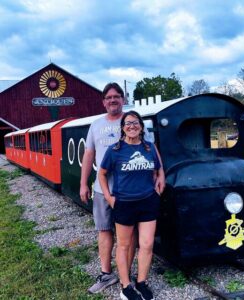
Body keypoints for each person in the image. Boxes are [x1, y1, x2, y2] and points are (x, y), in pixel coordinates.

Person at [80, 83, 165, 294]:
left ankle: (128, 278)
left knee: (133, 239)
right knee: (105, 231)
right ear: (103, 101)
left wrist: (160, 176)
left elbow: (153, 154)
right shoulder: (97, 125)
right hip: (104, 191)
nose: (112, 100)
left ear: (123, 99)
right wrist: (84, 183)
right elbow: (89, 154)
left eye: (116, 96)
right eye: (108, 97)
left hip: (134, 194)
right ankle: (107, 274)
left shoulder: (134, 121)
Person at [99, 110, 163, 300]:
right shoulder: (115, 150)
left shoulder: (149, 148)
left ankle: (141, 282)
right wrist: (109, 198)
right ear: (123, 128)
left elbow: (159, 169)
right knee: (124, 246)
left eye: (135, 123)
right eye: (128, 123)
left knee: (147, 244)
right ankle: (125, 286)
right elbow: (101, 174)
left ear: (141, 127)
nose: (132, 126)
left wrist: (160, 183)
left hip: (148, 202)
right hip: (124, 203)